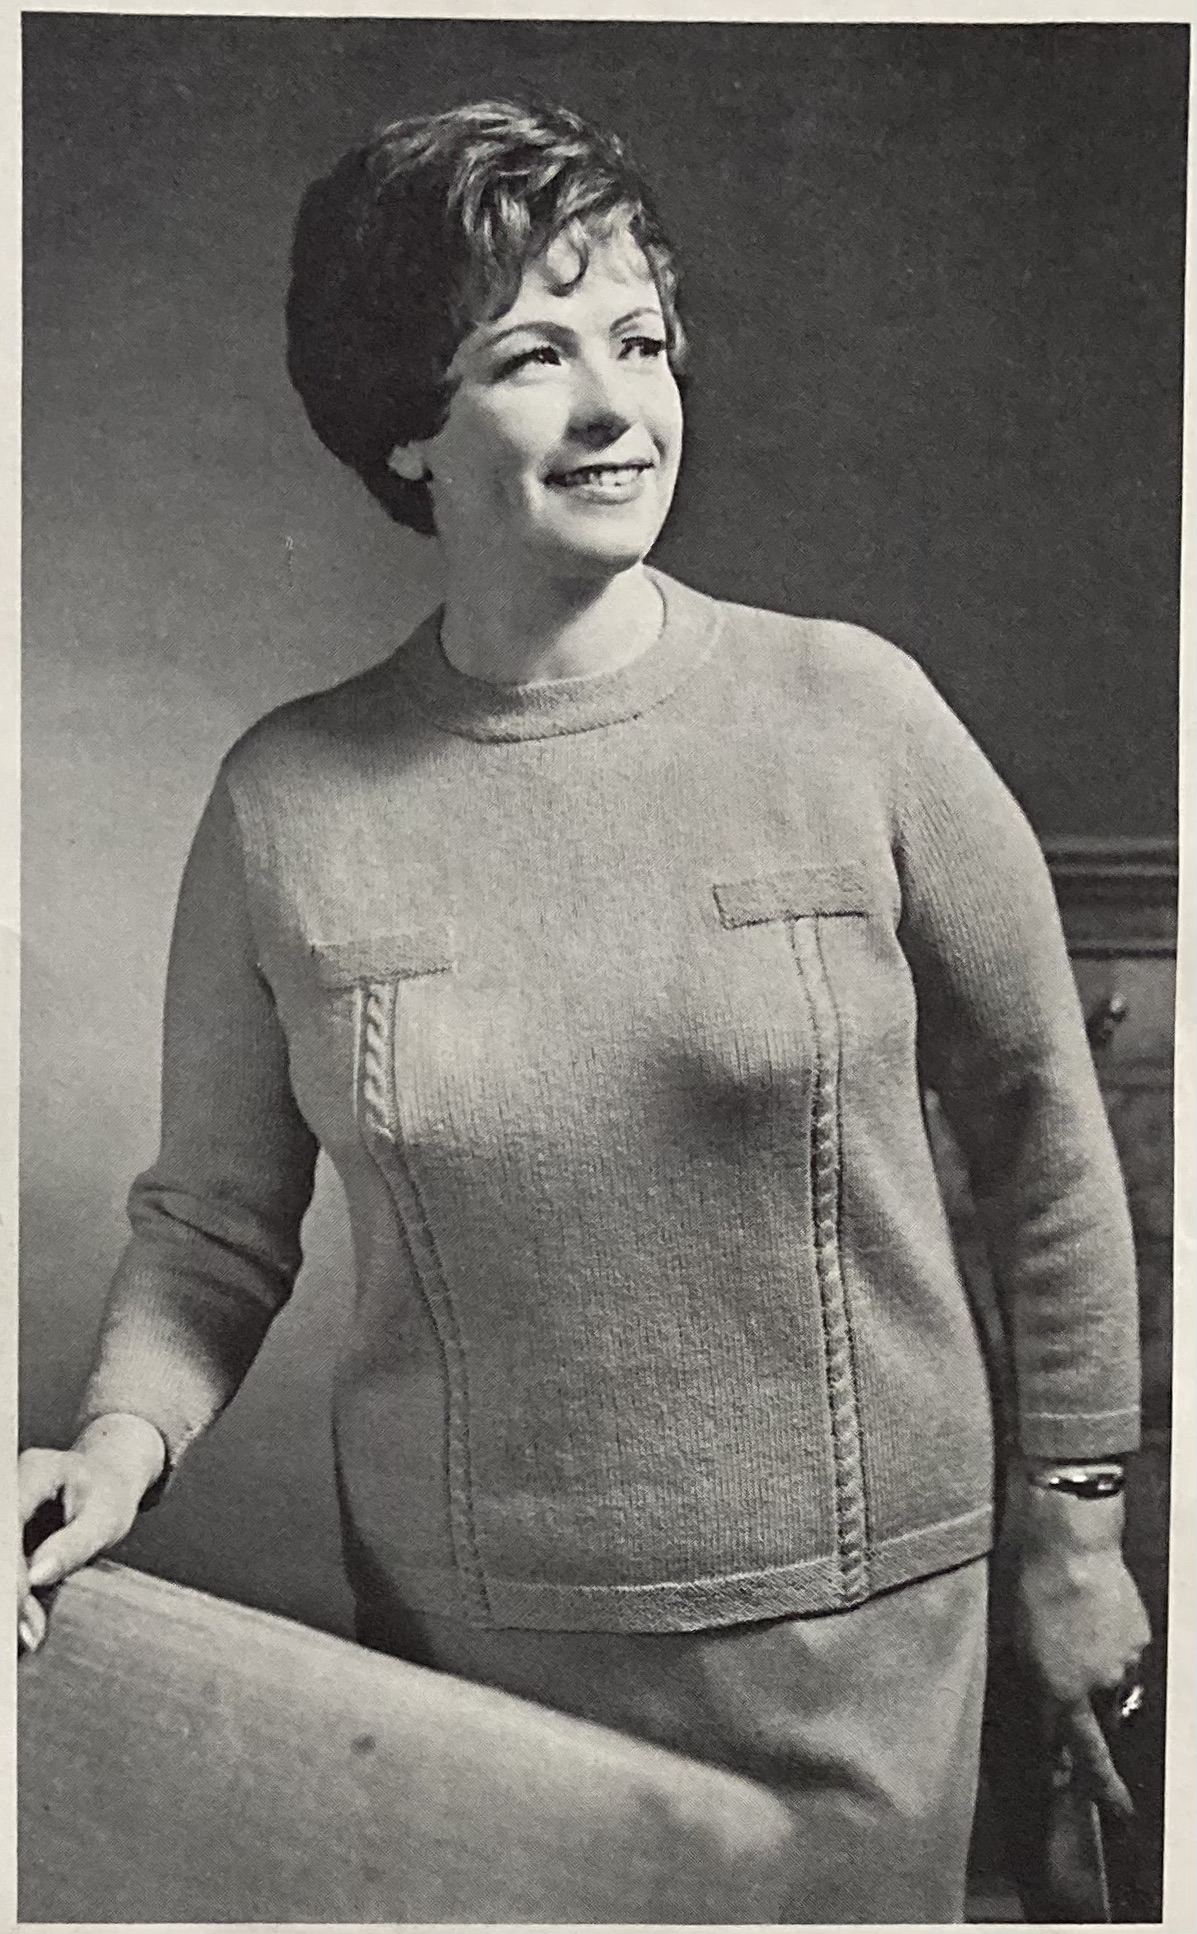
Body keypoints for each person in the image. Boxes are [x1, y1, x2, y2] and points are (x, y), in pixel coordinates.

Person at [18, 99, 1150, 1921]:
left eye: (639, 342)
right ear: (406, 423)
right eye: (532, 358)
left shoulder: (853, 712)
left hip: (860, 1656)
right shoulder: (283, 802)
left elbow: (1040, 1125)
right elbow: (213, 1224)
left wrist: (1076, 1526)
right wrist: (114, 1441)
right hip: (468, 1675)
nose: (616, 407)